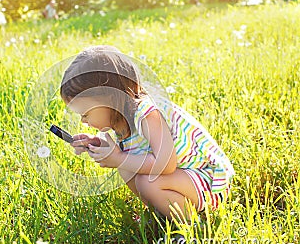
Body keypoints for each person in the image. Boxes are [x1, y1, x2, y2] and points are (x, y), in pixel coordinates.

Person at [59, 45, 235, 221]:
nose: (83, 121)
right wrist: (97, 144)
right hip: (184, 179)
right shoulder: (121, 120)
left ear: (111, 100)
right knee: (127, 166)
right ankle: (162, 209)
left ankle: (189, 225)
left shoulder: (146, 114)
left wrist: (119, 158)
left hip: (208, 181)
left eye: (86, 114)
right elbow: (136, 152)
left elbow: (165, 164)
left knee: (144, 180)